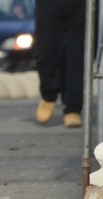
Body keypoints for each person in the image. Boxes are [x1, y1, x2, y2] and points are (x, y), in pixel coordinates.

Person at [34, 0, 85, 128]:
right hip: (49, 3)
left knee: (76, 55)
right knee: (46, 52)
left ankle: (73, 108)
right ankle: (48, 96)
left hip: (80, 4)